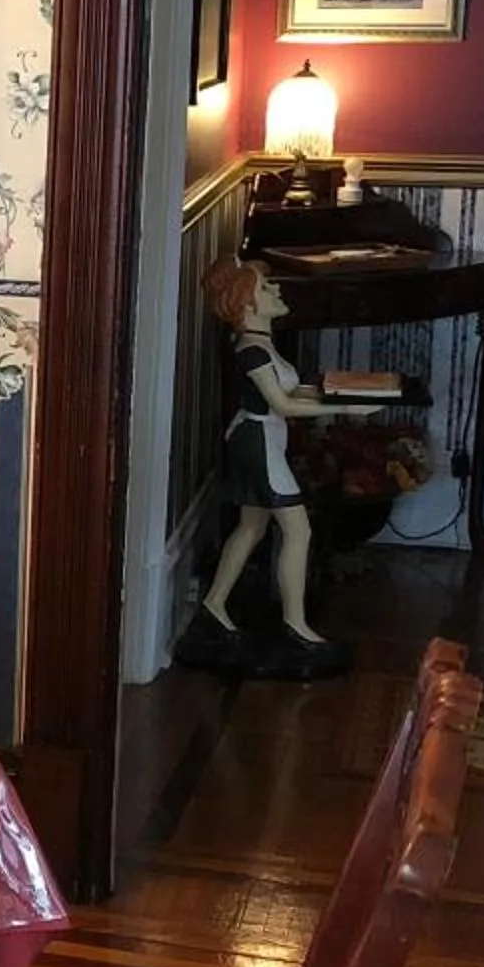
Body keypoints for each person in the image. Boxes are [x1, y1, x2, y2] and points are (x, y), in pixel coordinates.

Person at [176, 257, 351, 678]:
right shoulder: (253, 351)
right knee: (297, 529)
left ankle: (215, 606)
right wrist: (348, 405)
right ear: (248, 306)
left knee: (251, 526)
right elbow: (284, 404)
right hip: (258, 443)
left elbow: (294, 391)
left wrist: (341, 392)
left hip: (261, 438)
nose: (277, 293)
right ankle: (295, 625)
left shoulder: (263, 345)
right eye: (267, 290)